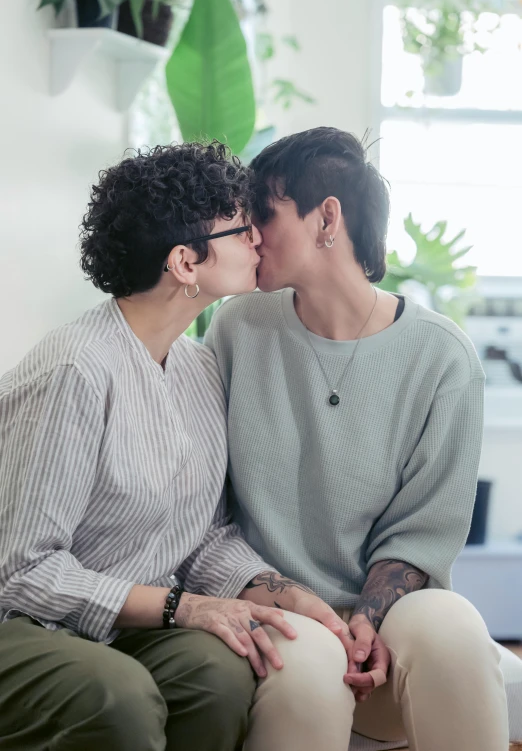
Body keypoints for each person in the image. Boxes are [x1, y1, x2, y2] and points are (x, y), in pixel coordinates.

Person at [0, 141, 352, 751]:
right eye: (243, 230)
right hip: (24, 622)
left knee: (219, 675)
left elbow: (204, 536)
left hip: (122, 624)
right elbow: (22, 572)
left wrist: (286, 595)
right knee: (120, 699)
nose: (259, 241)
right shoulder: (76, 370)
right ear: (186, 262)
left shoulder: (197, 368)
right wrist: (181, 608)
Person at [205, 127, 512, 751]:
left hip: (395, 608)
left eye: (264, 210)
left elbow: (422, 533)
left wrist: (367, 619)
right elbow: (212, 502)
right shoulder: (239, 327)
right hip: (275, 602)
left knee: (454, 630)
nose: (251, 233)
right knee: (306, 672)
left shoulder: (442, 356)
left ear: (328, 218)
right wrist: (306, 609)